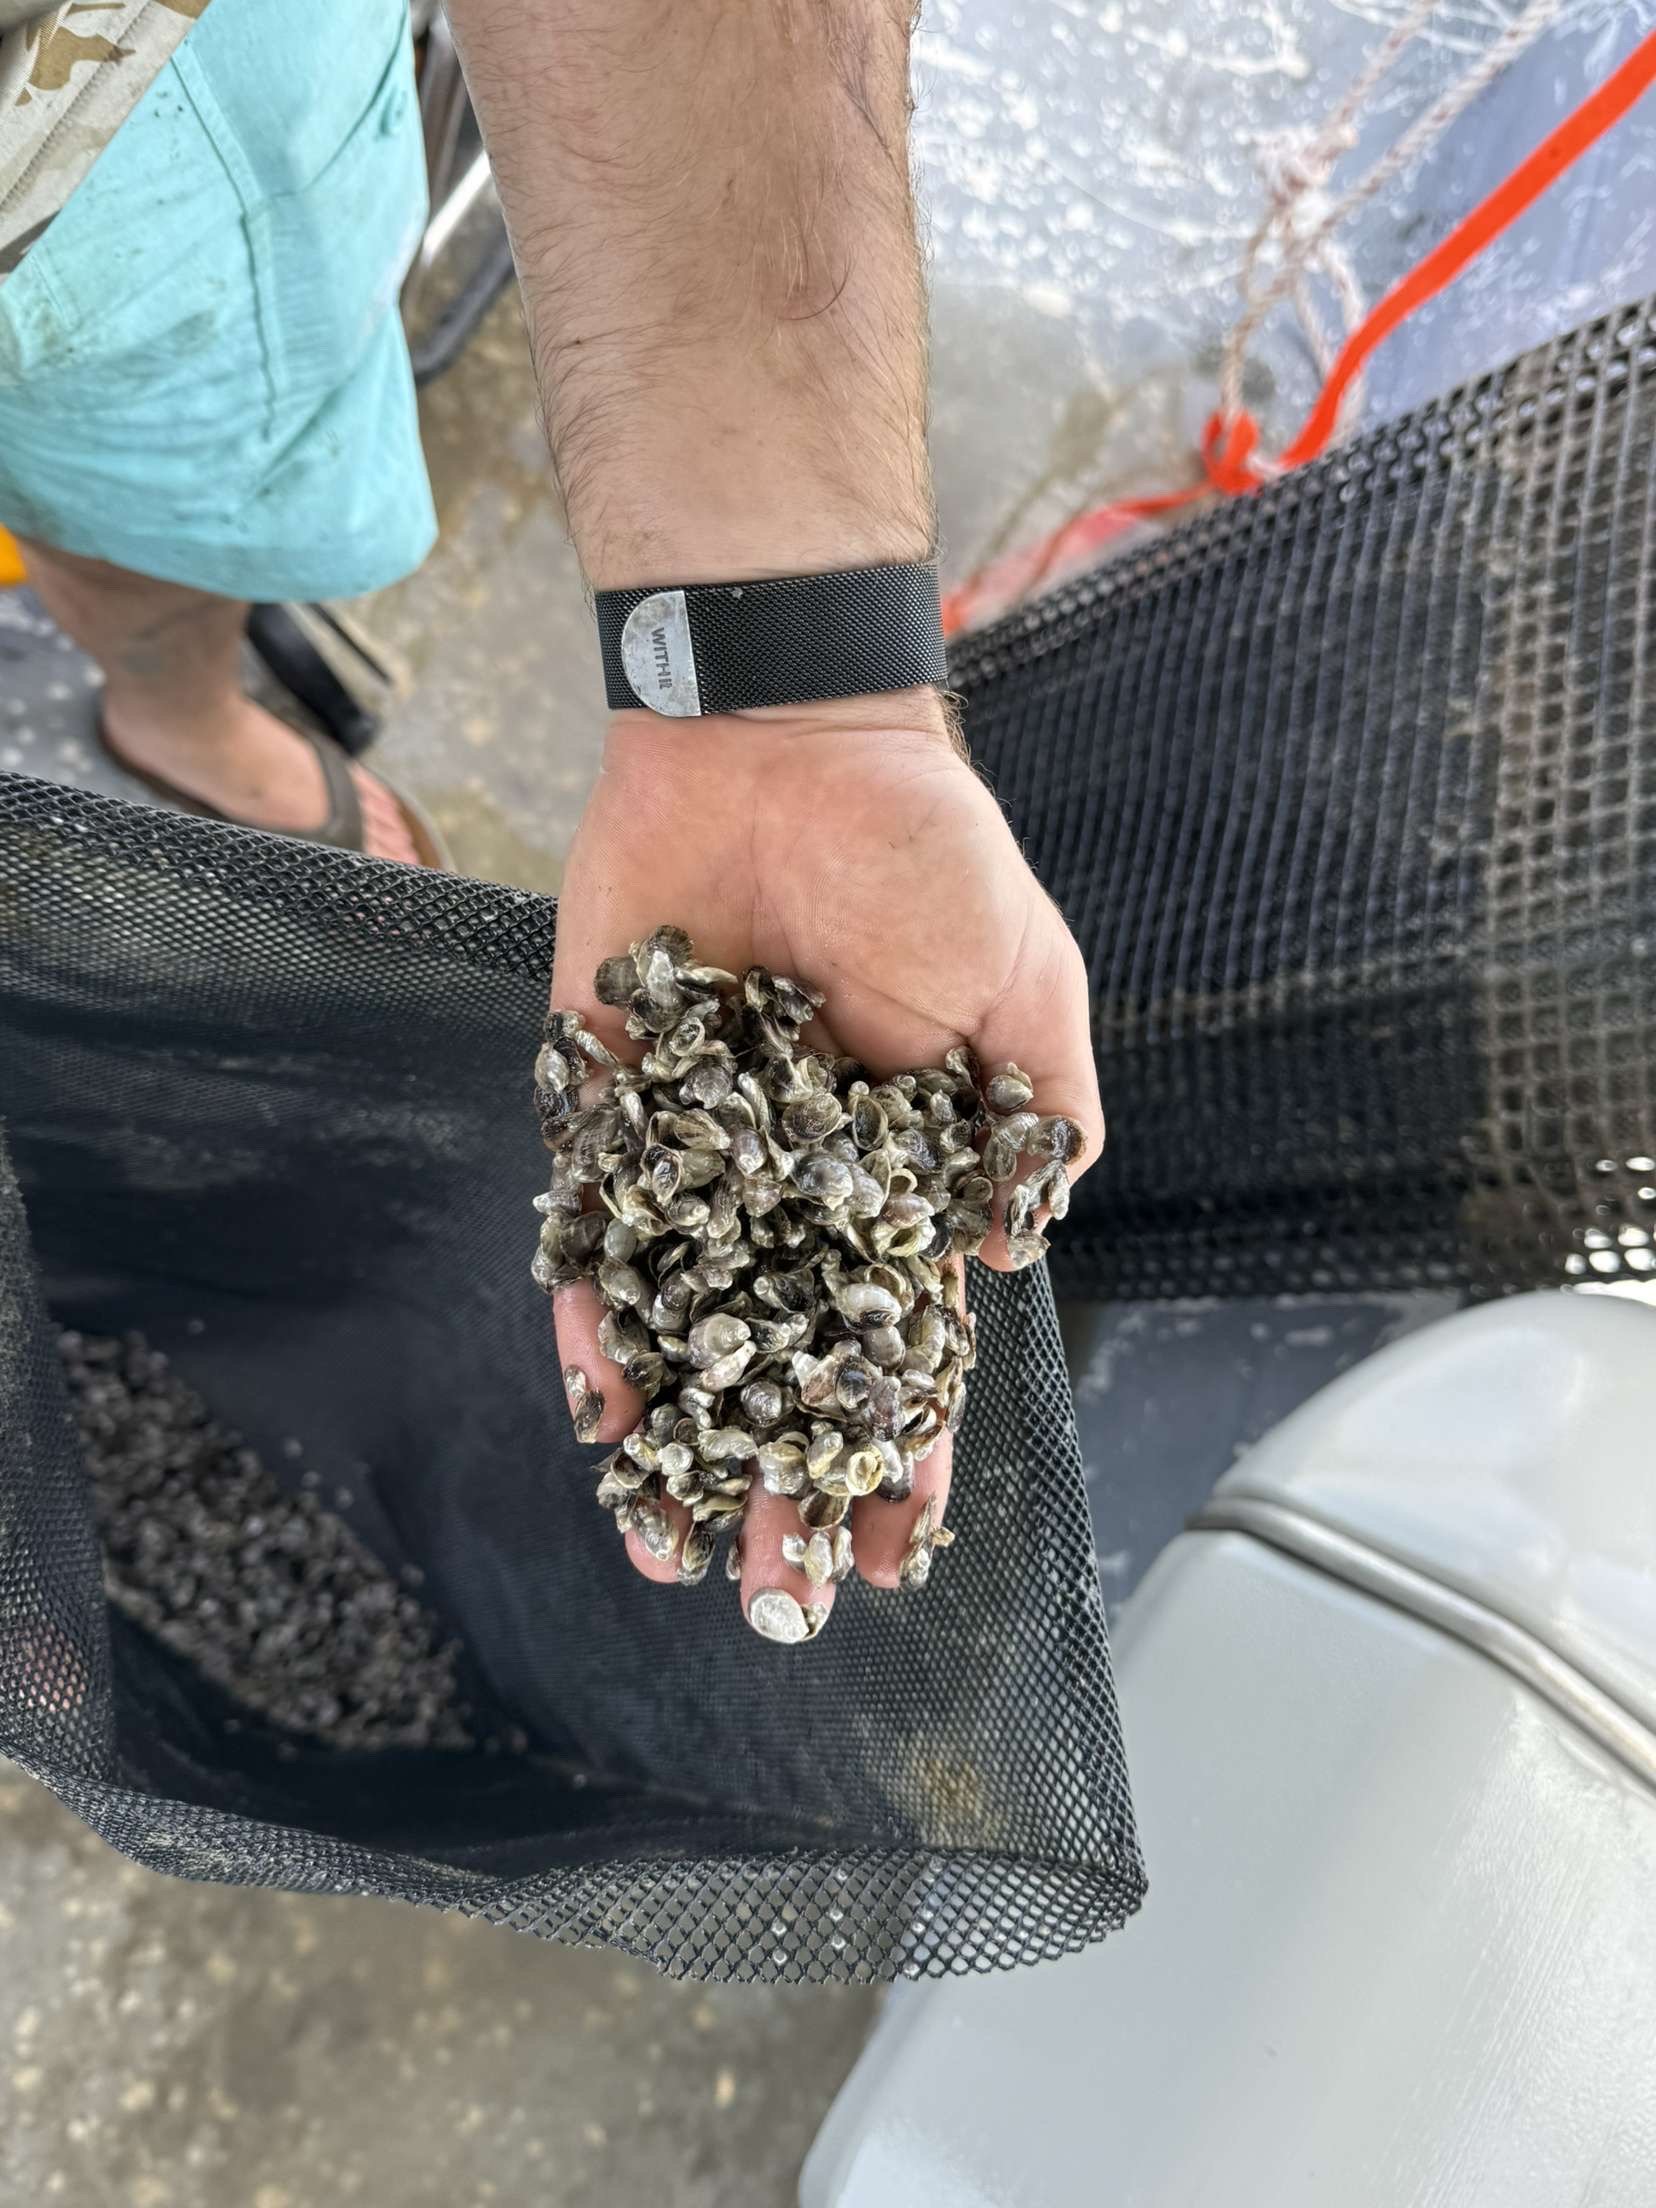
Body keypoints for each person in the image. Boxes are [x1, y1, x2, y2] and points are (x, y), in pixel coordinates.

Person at [0, 0, 1104, 1621]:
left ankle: (178, 710)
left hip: (102, 107)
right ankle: (177, 703)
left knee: (155, 477)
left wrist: (791, 686)